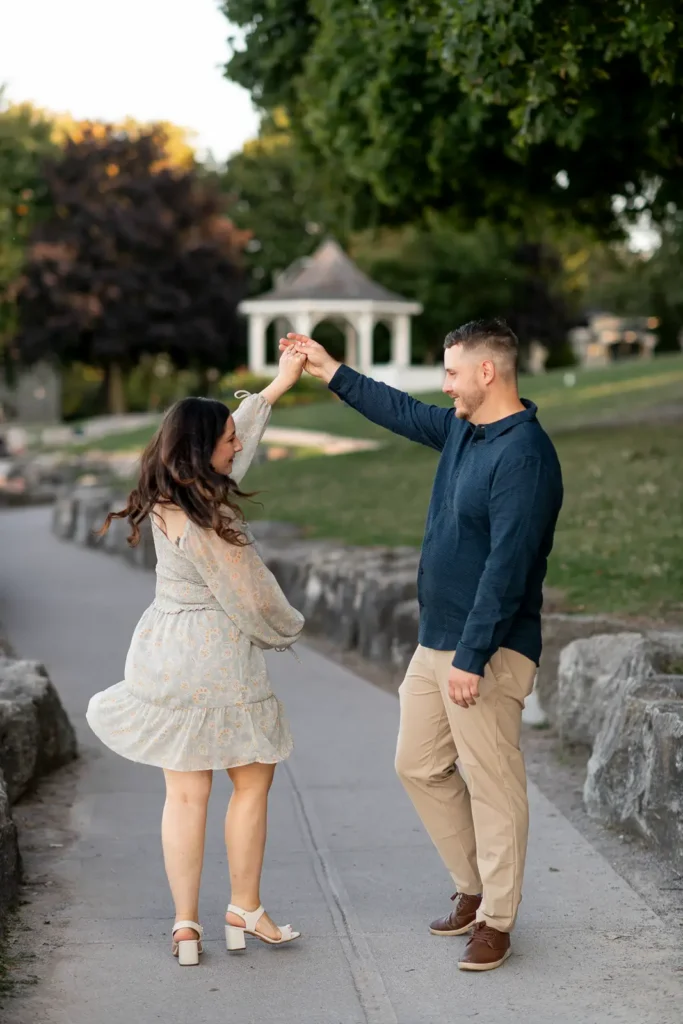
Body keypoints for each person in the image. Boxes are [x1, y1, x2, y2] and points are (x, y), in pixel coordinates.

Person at [281, 319, 563, 972]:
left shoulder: (524, 455)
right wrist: (329, 370)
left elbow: (509, 564)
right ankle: (473, 885)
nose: (445, 385)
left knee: (492, 784)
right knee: (417, 763)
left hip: (485, 649)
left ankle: (496, 918)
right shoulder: (464, 430)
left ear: (487, 372)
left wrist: (471, 655)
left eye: (452, 373)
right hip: (435, 639)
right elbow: (401, 411)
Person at [86, 349, 307, 966]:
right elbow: (250, 591)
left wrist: (278, 386)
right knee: (254, 775)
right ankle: (245, 907)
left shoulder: (173, 494)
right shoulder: (210, 519)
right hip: (216, 655)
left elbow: (243, 439)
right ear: (204, 447)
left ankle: (186, 926)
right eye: (229, 440)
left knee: (184, 795)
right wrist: (286, 628)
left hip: (164, 649)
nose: (238, 447)